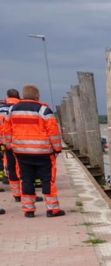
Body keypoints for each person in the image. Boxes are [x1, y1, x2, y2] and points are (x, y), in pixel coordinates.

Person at [9, 84, 63, 218]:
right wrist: (57, 149)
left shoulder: (13, 110)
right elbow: (53, 132)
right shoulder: (44, 110)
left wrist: (11, 146)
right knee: (47, 180)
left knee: (26, 179)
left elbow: (7, 130)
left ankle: (28, 210)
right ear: (37, 97)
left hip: (21, 152)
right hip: (43, 152)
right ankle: (52, 210)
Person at [0, 88, 21, 198]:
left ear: (7, 97)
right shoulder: (20, 108)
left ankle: (15, 192)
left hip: (4, 141)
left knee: (10, 166)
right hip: (18, 142)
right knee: (22, 167)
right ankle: (24, 192)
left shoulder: (1, 107)